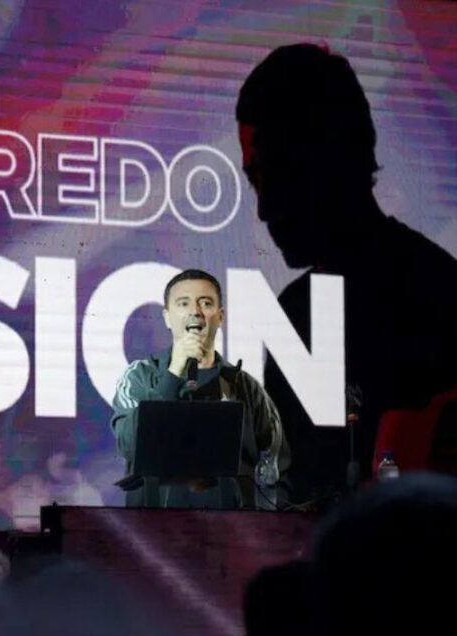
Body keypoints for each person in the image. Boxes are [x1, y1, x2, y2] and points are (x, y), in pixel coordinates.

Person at [236, 44, 457, 502]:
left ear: (327, 155)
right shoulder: (295, 314)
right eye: (255, 180)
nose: (263, 208)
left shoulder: (439, 298)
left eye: (274, 173)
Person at [111, 269, 289, 509]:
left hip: (233, 525)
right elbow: (131, 445)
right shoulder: (140, 376)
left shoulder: (245, 386)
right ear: (167, 317)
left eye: (205, 303)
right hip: (155, 526)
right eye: (183, 303)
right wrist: (174, 373)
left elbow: (275, 462)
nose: (195, 311)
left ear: (220, 317)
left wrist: (266, 519)